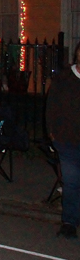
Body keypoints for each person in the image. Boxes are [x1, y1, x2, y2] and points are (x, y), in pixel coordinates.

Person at [43, 42, 80, 239]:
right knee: (71, 181)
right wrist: (52, 132)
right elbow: (51, 105)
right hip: (66, 139)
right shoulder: (64, 78)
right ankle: (69, 222)